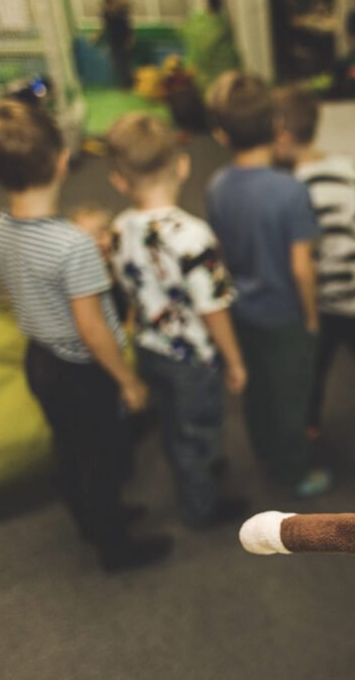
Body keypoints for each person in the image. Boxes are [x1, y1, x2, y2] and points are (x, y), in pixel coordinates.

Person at [0, 99, 172, 572]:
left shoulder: (1, 227)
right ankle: (115, 548)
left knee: (70, 449)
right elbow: (92, 329)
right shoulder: (74, 246)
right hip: (82, 371)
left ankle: (90, 521)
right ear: (64, 160)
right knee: (102, 459)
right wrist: (128, 381)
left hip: (39, 360)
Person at [105, 112, 249, 528]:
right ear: (182, 165)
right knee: (198, 430)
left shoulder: (118, 229)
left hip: (149, 348)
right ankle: (201, 505)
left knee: (172, 422)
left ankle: (191, 472)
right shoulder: (193, 236)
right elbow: (212, 308)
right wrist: (235, 361)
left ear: (119, 181)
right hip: (192, 359)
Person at [204, 73, 330, 497]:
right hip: (285, 317)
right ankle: (293, 473)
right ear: (277, 125)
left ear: (221, 134)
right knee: (290, 398)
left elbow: (219, 251)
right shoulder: (290, 191)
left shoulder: (216, 186)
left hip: (241, 313)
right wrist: (310, 317)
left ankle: (263, 453)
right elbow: (302, 269)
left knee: (255, 391)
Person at [272, 86, 355, 439]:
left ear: (282, 138)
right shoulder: (348, 166)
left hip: (325, 298)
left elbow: (305, 256)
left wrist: (306, 310)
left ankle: (309, 423)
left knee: (313, 366)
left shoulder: (294, 189)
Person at [180, 0, 240, 92]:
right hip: (224, 83)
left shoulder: (195, 23)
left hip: (200, 81)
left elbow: (184, 33)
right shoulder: (224, 24)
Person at [98, 0, 134, 89]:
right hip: (114, 41)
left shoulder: (120, 12)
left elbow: (127, 26)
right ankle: (123, 84)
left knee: (124, 62)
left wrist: (129, 39)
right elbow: (105, 27)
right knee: (117, 63)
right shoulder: (106, 14)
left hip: (123, 39)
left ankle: (128, 84)